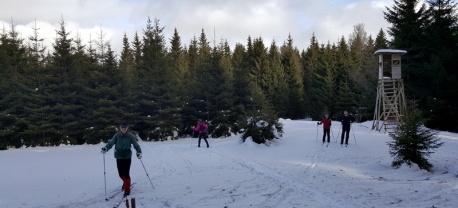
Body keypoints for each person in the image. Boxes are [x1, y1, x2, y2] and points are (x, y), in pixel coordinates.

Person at [101, 123, 142, 196]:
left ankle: (127, 190)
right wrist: (106, 148)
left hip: (127, 157)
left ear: (127, 128)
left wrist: (139, 152)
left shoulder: (131, 136)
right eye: (122, 127)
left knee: (126, 174)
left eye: (125, 127)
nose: (123, 129)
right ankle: (126, 183)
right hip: (119, 157)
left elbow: (136, 145)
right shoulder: (117, 136)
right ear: (120, 128)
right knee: (121, 174)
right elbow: (111, 143)